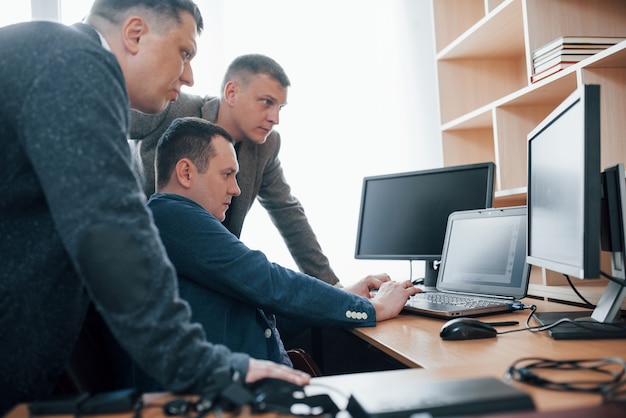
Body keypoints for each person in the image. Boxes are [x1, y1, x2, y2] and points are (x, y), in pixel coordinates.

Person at [0, 1, 308, 414]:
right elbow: (111, 236)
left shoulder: (60, 59)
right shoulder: (74, 60)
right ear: (135, 34)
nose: (190, 74)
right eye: (184, 52)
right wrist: (209, 369)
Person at [119, 116, 419, 390]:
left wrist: (348, 295)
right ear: (185, 172)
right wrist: (373, 309)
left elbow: (260, 309)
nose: (236, 189)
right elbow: (268, 280)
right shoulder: (170, 215)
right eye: (227, 174)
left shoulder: (176, 224)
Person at [129, 54, 341, 286]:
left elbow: (289, 214)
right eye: (266, 102)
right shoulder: (173, 108)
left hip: (208, 276)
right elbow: (98, 123)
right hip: (140, 264)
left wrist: (334, 286)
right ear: (231, 93)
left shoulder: (266, 146)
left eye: (280, 107)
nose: (275, 118)